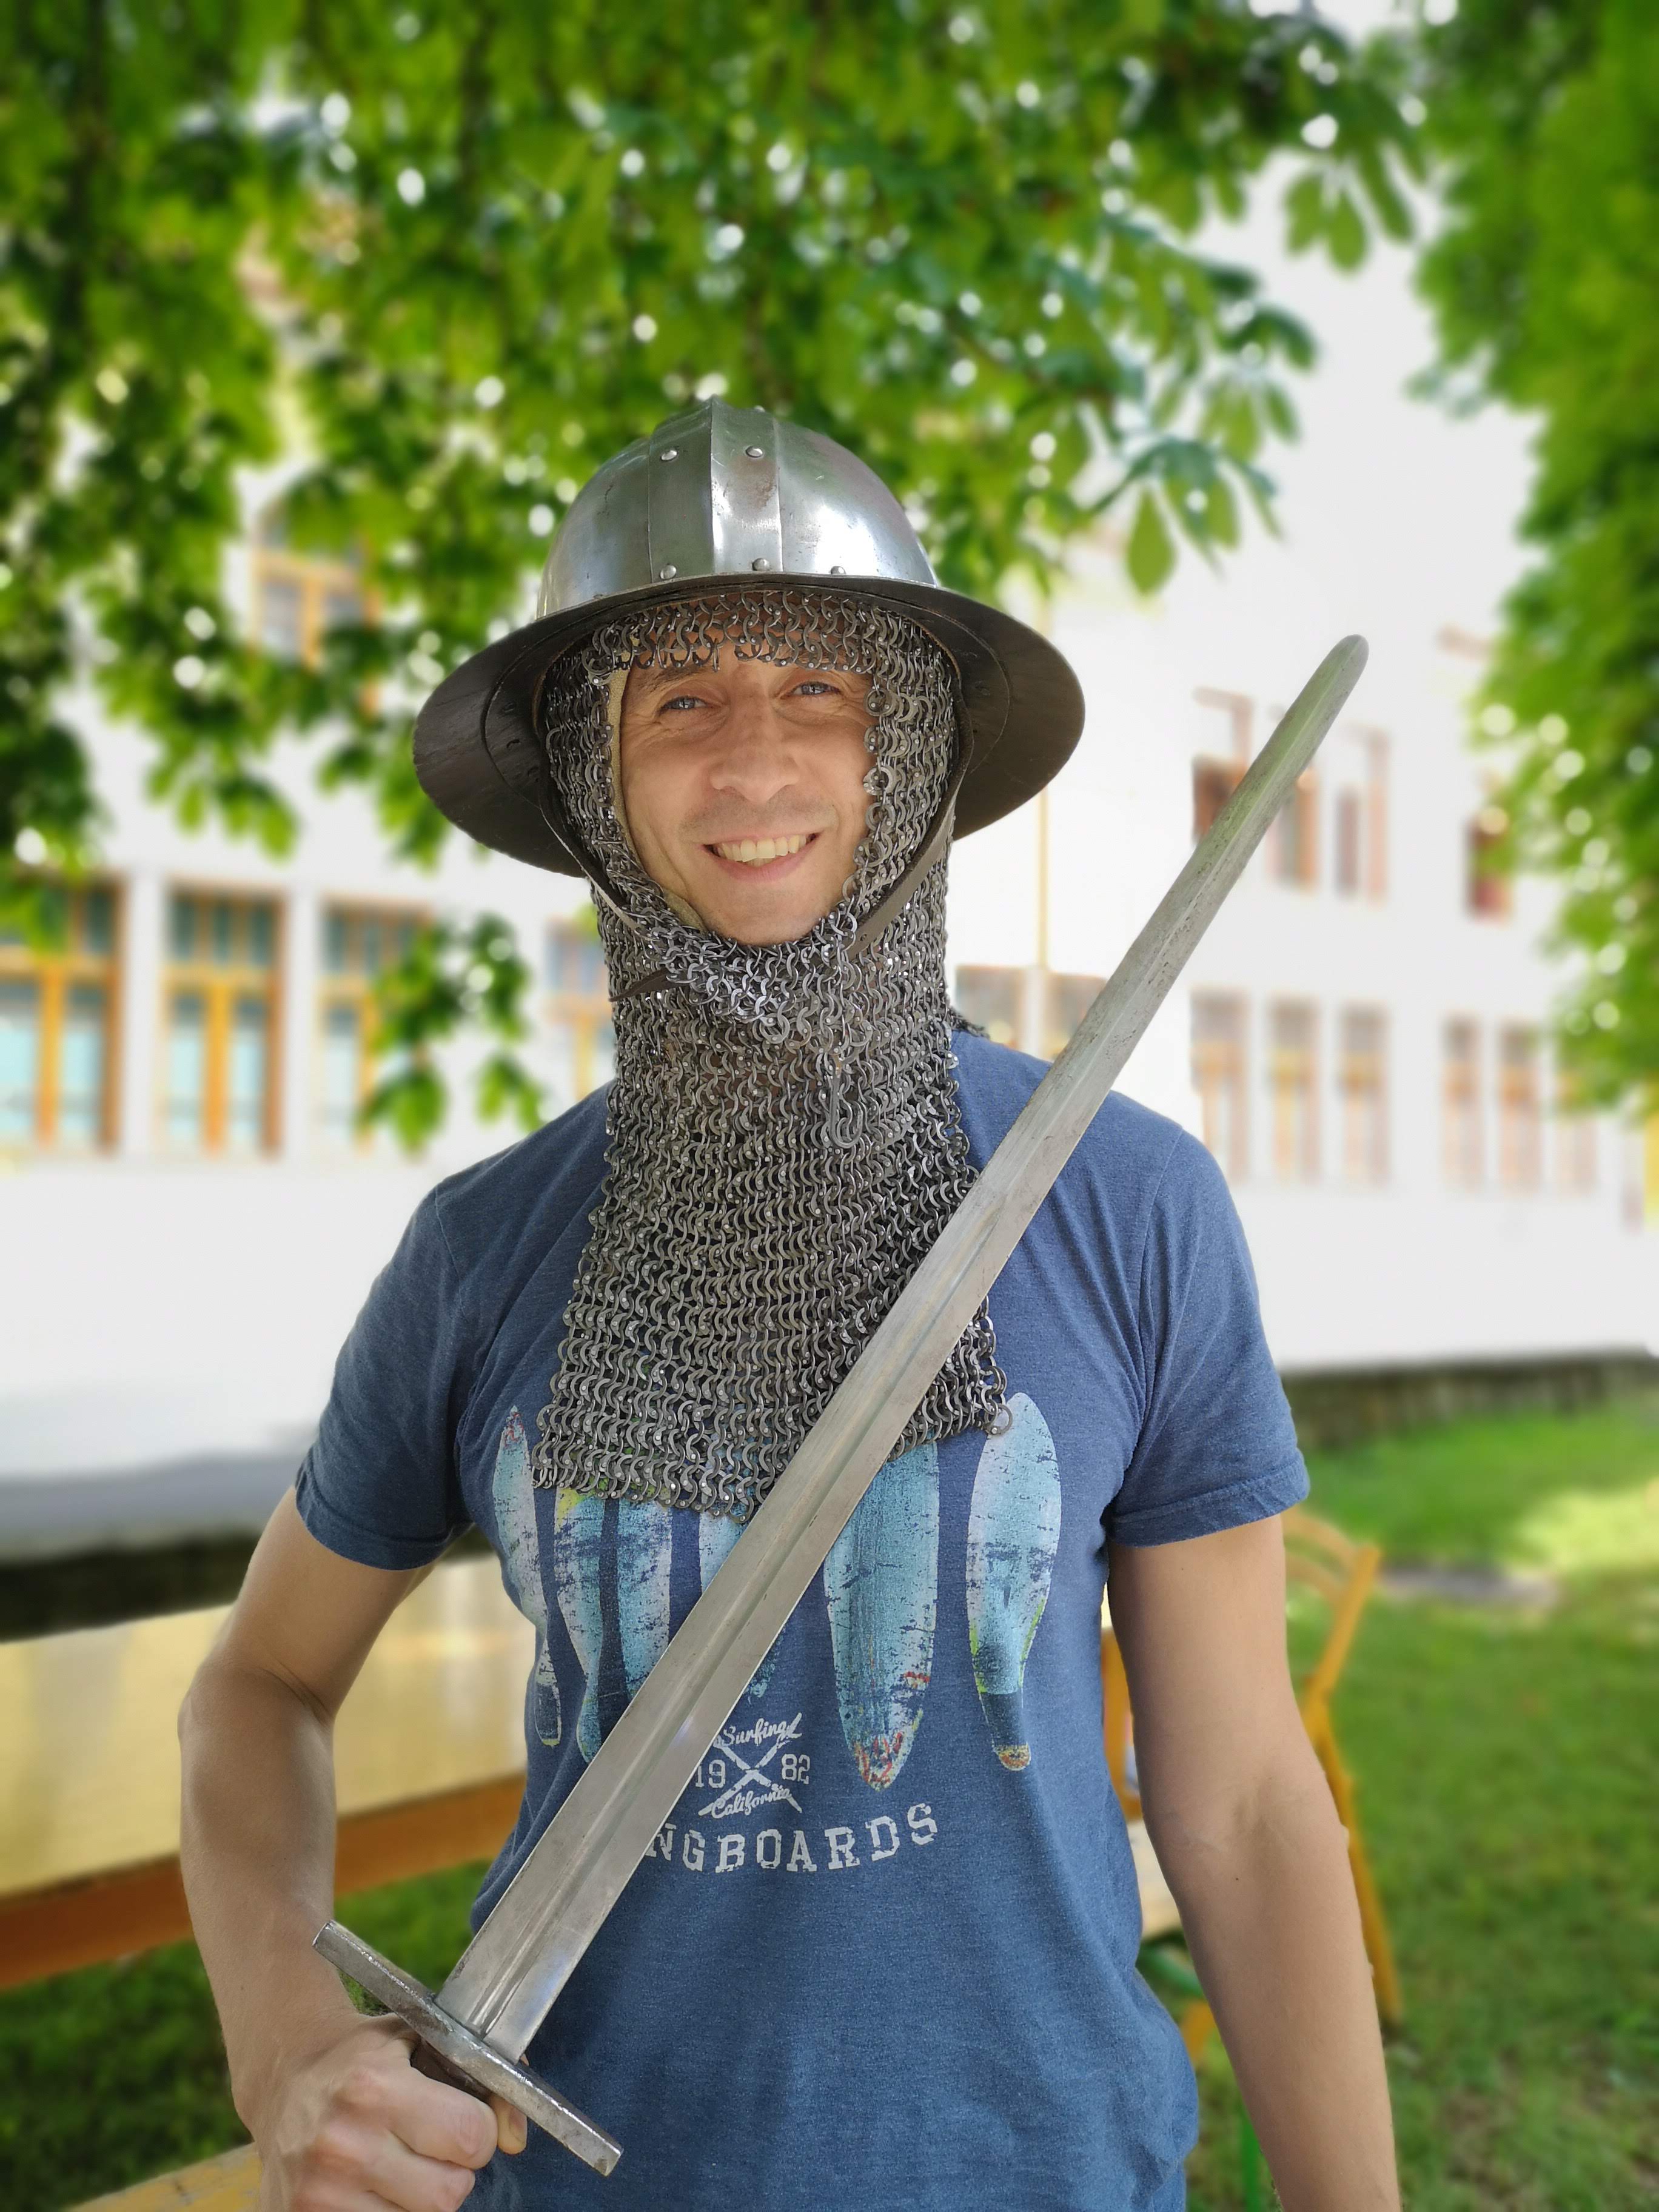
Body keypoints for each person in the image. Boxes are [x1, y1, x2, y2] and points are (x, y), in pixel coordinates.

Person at [179, 400, 1400, 2212]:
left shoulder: (1129, 1206)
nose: (753, 762)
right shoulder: (482, 1250)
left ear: (906, 746)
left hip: (1044, 2170)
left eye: (818, 688)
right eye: (678, 699)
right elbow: (260, 1683)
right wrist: (286, 2038)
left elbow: (1237, 1801)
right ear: (592, 777)